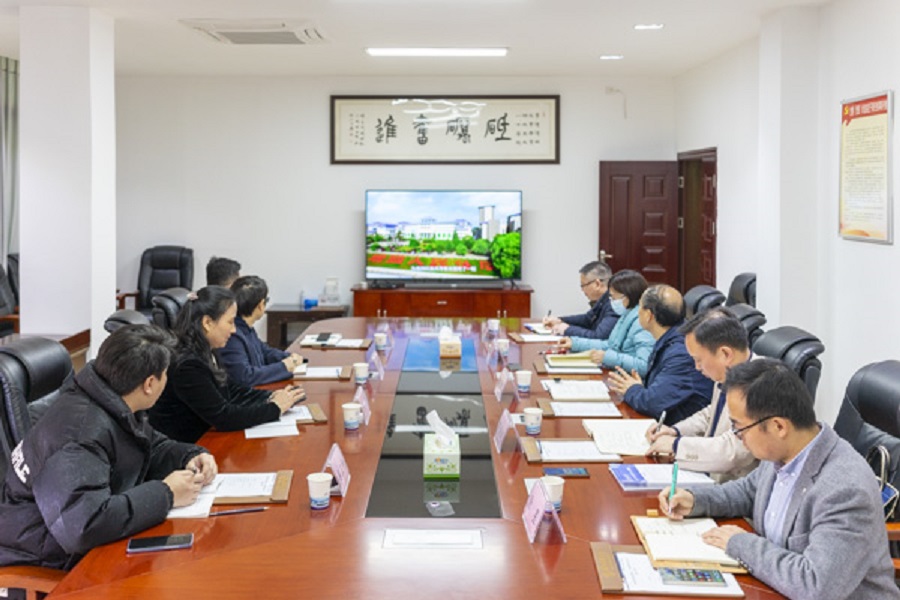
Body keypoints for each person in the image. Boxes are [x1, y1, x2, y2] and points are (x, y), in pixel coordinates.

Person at [660, 359, 899, 600]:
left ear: (778, 427)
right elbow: (748, 492)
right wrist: (694, 499)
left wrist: (741, 543)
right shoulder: (783, 451)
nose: (738, 437)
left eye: (740, 428)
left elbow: (815, 585)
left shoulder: (845, 489)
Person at [0, 325, 217, 571]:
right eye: (165, 374)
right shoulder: (81, 433)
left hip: (75, 532)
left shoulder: (112, 399)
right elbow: (83, 526)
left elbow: (149, 445)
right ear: (149, 383)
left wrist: (190, 456)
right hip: (48, 552)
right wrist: (166, 494)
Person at [149, 286, 305, 443]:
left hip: (206, 438)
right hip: (187, 446)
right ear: (207, 323)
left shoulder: (207, 349)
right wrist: (275, 408)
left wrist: (270, 396)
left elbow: (231, 390)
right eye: (230, 322)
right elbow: (224, 417)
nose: (234, 330)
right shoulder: (188, 365)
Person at [646, 306, 757, 481]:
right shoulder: (728, 372)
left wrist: (677, 446)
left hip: (730, 487)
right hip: (706, 475)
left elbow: (734, 451)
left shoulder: (759, 386)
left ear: (725, 354)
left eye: (698, 360)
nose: (697, 368)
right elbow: (710, 414)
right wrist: (676, 431)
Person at [606, 285, 711, 425]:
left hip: (678, 431)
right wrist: (640, 388)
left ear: (649, 315)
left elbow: (652, 403)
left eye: (640, 307)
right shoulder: (672, 338)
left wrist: (632, 389)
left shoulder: (681, 352)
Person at [559, 269, 654, 377]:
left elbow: (644, 366)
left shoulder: (642, 322)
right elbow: (610, 345)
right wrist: (575, 343)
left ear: (627, 297)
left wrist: (607, 357)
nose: (611, 302)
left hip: (630, 381)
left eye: (614, 298)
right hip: (619, 375)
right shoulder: (626, 315)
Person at [218, 275, 305, 386]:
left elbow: (264, 352)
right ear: (260, 305)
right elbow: (246, 376)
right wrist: (284, 367)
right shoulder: (232, 335)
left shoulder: (246, 328)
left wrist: (289, 358)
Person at [542, 260, 619, 339]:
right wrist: (559, 320)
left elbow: (598, 336)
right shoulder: (602, 300)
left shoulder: (614, 304)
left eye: (583, 285)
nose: (582, 290)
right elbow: (587, 319)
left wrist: (567, 329)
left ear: (597, 284)